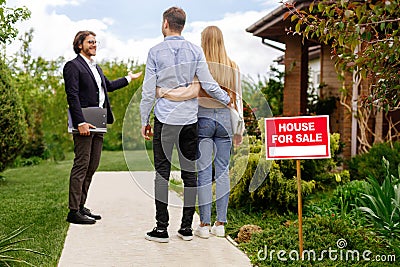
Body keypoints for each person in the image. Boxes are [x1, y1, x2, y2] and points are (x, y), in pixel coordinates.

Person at [140, 7, 231, 243]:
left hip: (165, 121)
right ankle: (186, 228)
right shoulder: (195, 50)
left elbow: (149, 91)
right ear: (182, 25)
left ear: (165, 24)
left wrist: (143, 119)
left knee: (162, 173)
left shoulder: (155, 52)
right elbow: (209, 85)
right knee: (189, 174)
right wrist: (227, 100)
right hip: (190, 122)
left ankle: (161, 229)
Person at [158, 26, 243, 238]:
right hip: (225, 119)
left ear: (203, 41)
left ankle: (204, 225)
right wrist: (239, 130)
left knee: (204, 172)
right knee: (223, 172)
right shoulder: (233, 66)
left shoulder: (199, 64)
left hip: (203, 118)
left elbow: (192, 91)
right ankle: (221, 224)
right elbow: (237, 100)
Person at [63, 30, 142, 224]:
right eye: (90, 42)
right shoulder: (73, 66)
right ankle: (73, 211)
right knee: (82, 164)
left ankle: (81, 206)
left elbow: (109, 87)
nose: (94, 45)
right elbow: (72, 95)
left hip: (98, 119)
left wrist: (128, 78)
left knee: (92, 164)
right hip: (84, 120)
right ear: (80, 44)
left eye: (96, 42)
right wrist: (80, 121)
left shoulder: (96, 68)